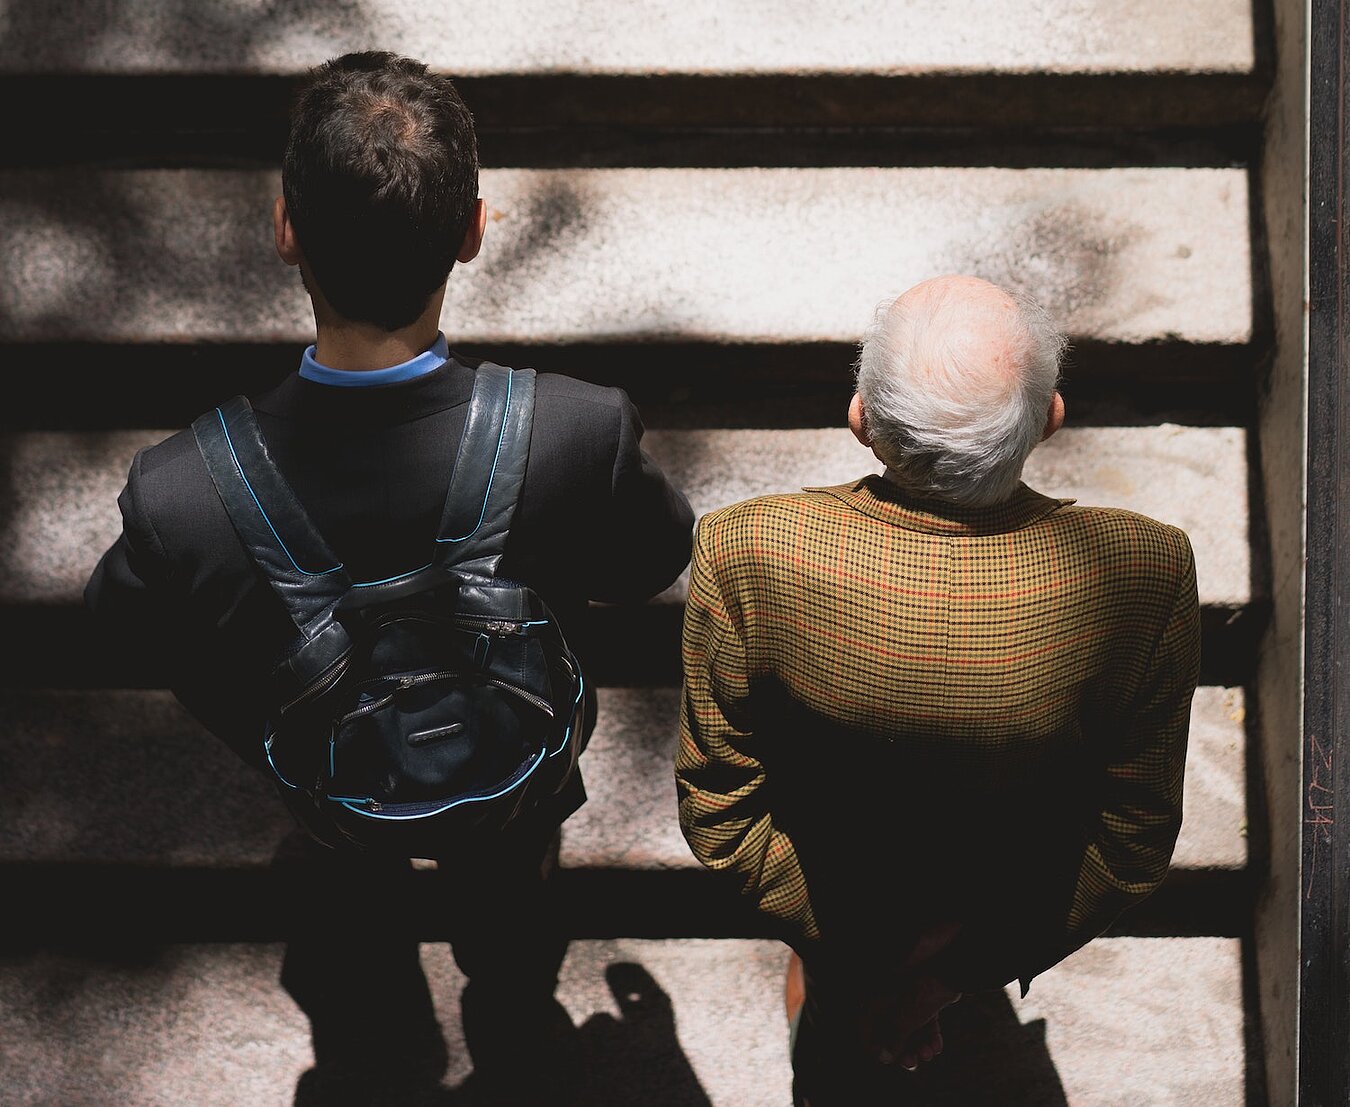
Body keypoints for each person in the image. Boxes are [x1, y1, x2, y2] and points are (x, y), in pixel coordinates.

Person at [84, 50, 694, 1104]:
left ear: (285, 231)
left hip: (329, 777)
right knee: (510, 891)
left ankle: (374, 1008)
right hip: (515, 775)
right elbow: (654, 556)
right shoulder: (574, 430)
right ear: (471, 231)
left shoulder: (181, 492)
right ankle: (507, 994)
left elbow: (120, 630)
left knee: (345, 868)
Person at [674, 274, 1200, 1106]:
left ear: (860, 421)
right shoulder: (1148, 573)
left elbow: (719, 810)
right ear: (1051, 417)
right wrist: (946, 976)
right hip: (1006, 885)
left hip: (836, 882)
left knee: (829, 1055)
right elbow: (1130, 841)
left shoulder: (747, 552)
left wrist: (856, 956)